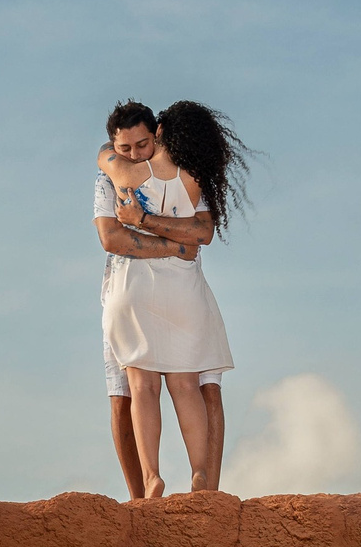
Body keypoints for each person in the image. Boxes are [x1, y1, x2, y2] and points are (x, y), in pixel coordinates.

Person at [94, 99, 248, 496]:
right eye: (124, 147)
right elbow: (200, 234)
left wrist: (112, 160)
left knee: (142, 386)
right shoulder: (194, 178)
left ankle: (151, 478)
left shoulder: (121, 173)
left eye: (139, 144)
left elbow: (113, 231)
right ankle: (199, 472)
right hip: (182, 290)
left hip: (133, 287)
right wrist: (176, 244)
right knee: (186, 385)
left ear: (158, 132)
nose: (132, 153)